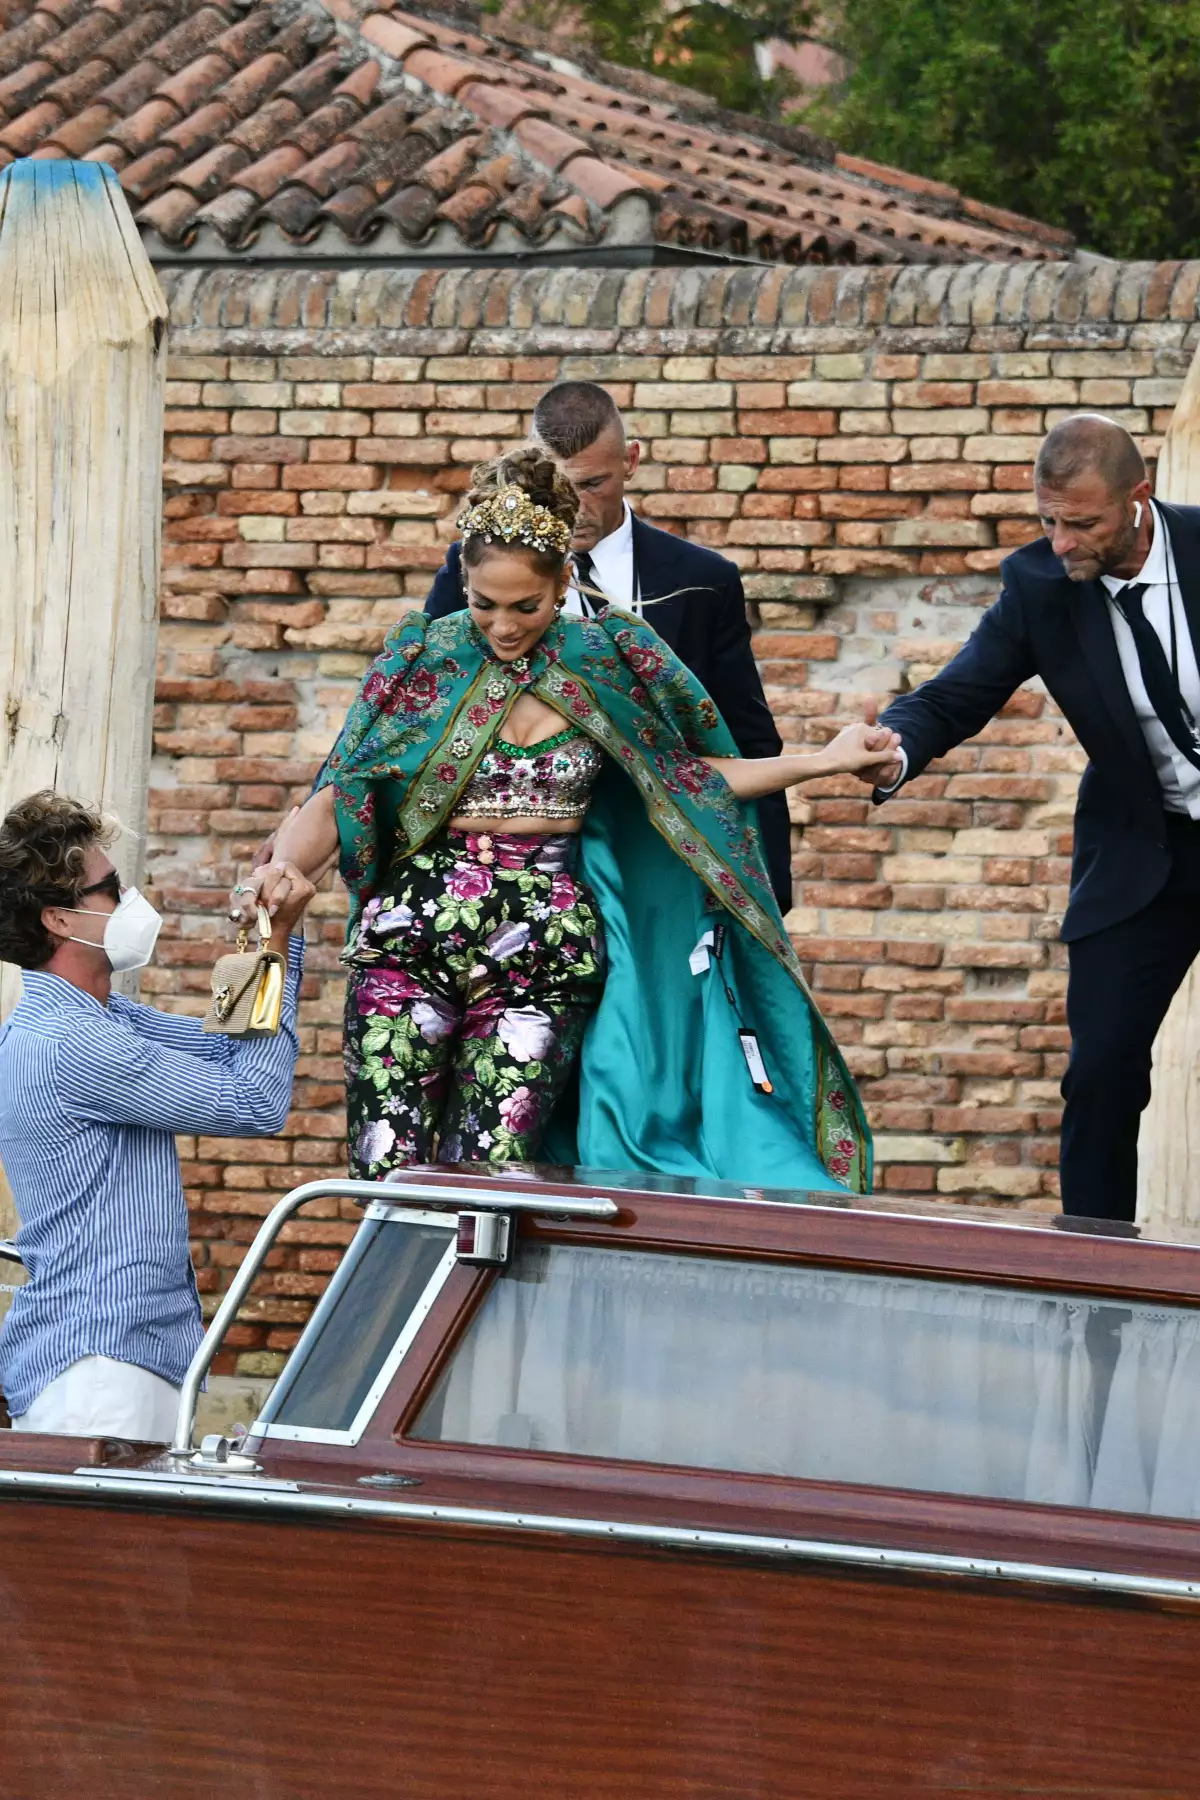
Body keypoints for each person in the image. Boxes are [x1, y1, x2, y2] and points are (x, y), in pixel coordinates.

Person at [233, 449, 900, 1194]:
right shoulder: (426, 656)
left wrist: (825, 760)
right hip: (408, 941)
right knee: (388, 1170)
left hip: (542, 958)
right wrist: (284, 867)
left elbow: (689, 779)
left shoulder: (610, 660)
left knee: (494, 1183)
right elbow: (344, 790)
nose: (502, 626)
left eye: (526, 606)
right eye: (483, 602)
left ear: (564, 587)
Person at [860, 413, 1200, 1223]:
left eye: (1081, 524)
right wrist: (895, 746)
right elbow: (959, 693)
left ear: (1137, 499)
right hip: (1146, 852)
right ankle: (1094, 1270)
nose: (1061, 542)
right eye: (1047, 520)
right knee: (1102, 1070)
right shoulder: (1039, 587)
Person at [0, 792, 314, 1441]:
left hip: (123, 1360)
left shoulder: (100, 1019)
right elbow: (254, 1101)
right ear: (59, 919)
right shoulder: (73, 1043)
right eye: (110, 889)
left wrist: (263, 937)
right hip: (100, 1371)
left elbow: (228, 1044)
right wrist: (277, 942)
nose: (131, 899)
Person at [424, 381, 796, 915]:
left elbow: (749, 735)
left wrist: (770, 883)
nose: (574, 505)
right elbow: (406, 708)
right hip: (515, 872)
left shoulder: (702, 579)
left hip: (662, 867)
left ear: (631, 461)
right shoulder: (471, 569)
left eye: (593, 483)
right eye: (560, 484)